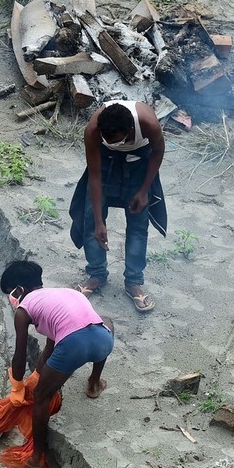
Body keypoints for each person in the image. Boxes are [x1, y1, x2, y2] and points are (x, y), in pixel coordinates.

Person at [1, 260, 114, 468]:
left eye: (12, 293)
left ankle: (37, 458)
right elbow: (53, 341)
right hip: (103, 341)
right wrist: (38, 373)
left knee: (42, 397)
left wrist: (17, 386)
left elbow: (20, 354)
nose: (12, 299)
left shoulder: (23, 310)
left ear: (20, 290)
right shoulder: (63, 294)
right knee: (106, 321)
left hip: (74, 346)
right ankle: (94, 382)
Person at [69, 100, 167, 312]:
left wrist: (143, 190)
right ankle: (96, 275)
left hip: (140, 164)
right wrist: (98, 221)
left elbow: (158, 153)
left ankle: (133, 282)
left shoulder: (148, 123)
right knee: (90, 219)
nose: (111, 141)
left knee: (138, 225)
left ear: (131, 130)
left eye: (115, 139)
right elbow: (94, 177)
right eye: (106, 138)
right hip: (106, 162)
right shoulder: (93, 130)